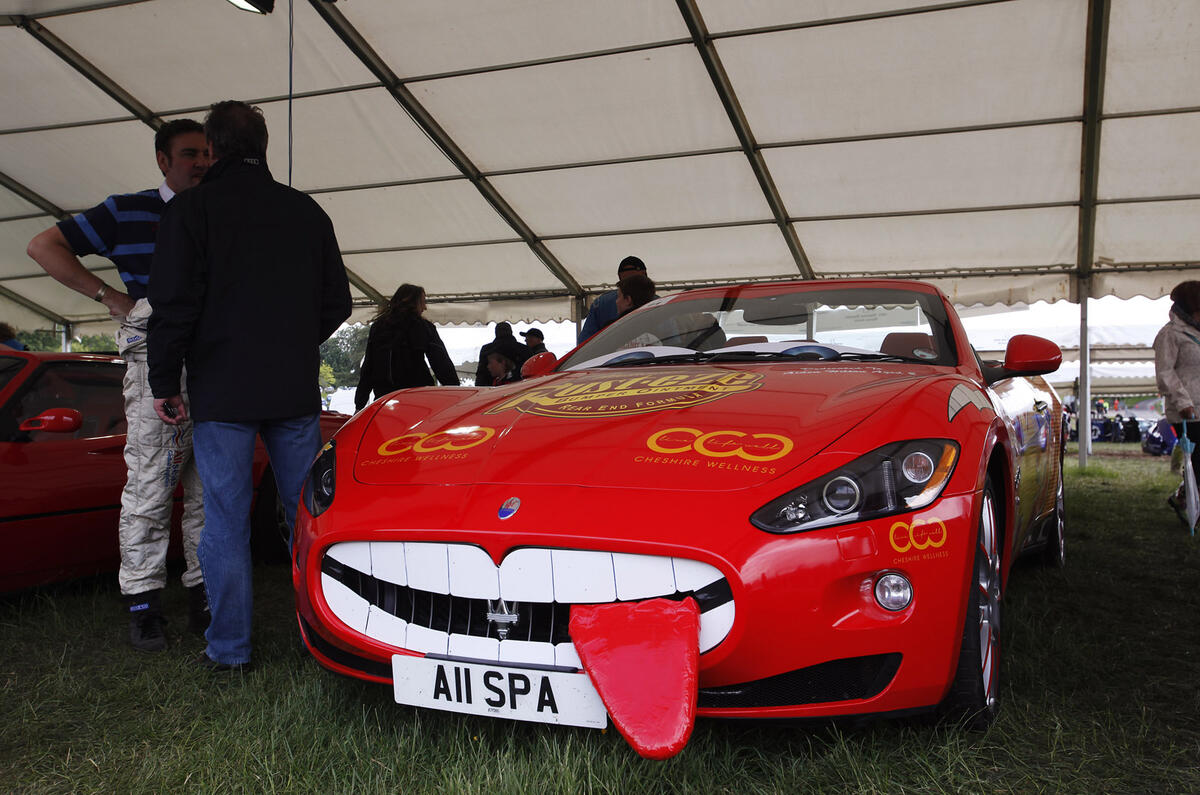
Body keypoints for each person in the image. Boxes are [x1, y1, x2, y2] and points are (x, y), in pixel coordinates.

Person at [147, 101, 351, 673]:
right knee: (309, 516)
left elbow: (173, 304)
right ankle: (328, 638)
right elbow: (337, 302)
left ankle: (230, 649)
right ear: (263, 144)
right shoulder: (306, 212)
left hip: (222, 389)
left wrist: (165, 378)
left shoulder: (192, 210)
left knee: (226, 520)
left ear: (212, 147)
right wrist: (290, 340)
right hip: (290, 388)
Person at [26, 118, 211, 652]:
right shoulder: (128, 209)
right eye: (189, 153)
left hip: (214, 360)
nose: (200, 162)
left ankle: (203, 593)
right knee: (152, 481)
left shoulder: (219, 210)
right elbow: (43, 246)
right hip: (156, 355)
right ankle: (143, 603)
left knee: (209, 487)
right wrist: (111, 297)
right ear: (162, 159)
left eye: (207, 154)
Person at [353, 283, 459, 412]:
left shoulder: (378, 327)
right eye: (422, 302)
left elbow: (368, 367)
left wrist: (360, 404)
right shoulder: (423, 327)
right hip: (417, 397)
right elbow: (441, 362)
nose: (424, 307)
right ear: (413, 303)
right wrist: (456, 391)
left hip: (385, 399)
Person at [1154, 280, 1200, 527]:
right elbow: (1165, 372)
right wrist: (1183, 401)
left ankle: (1183, 497)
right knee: (1198, 460)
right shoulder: (1169, 335)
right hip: (1187, 410)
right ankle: (1188, 500)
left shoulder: (1197, 332)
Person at [578, 256, 649, 342]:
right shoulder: (661, 303)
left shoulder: (600, 303)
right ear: (644, 274)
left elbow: (585, 343)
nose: (616, 302)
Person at [474, 322, 528, 386]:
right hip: (521, 389)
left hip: (491, 390)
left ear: (496, 332)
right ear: (511, 332)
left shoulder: (487, 349)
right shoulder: (524, 349)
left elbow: (481, 374)